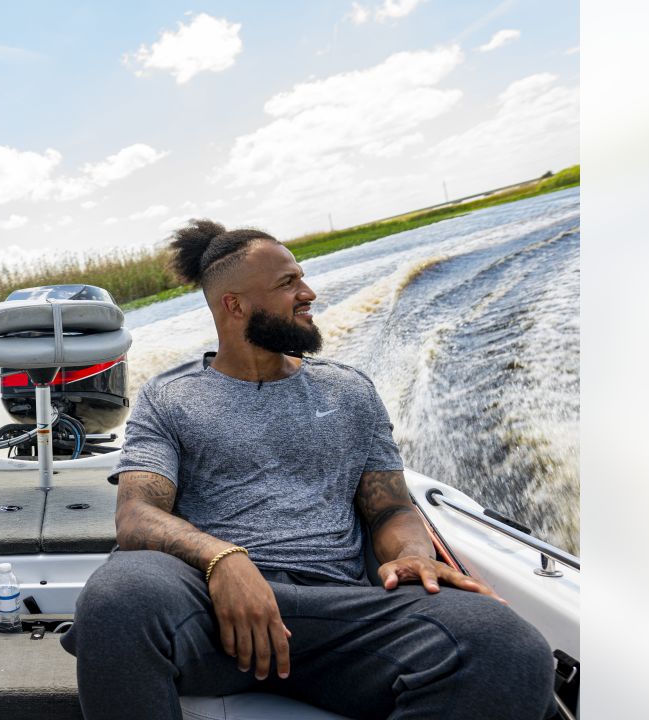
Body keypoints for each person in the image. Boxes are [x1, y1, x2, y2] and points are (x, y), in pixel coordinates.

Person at [60, 220, 557, 720]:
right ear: (234, 305)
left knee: (506, 644)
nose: (308, 293)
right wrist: (222, 559)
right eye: (287, 284)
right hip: (211, 611)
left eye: (302, 278)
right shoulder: (169, 397)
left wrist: (410, 555)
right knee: (118, 598)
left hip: (342, 615)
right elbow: (137, 516)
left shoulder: (350, 391)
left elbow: (390, 509)